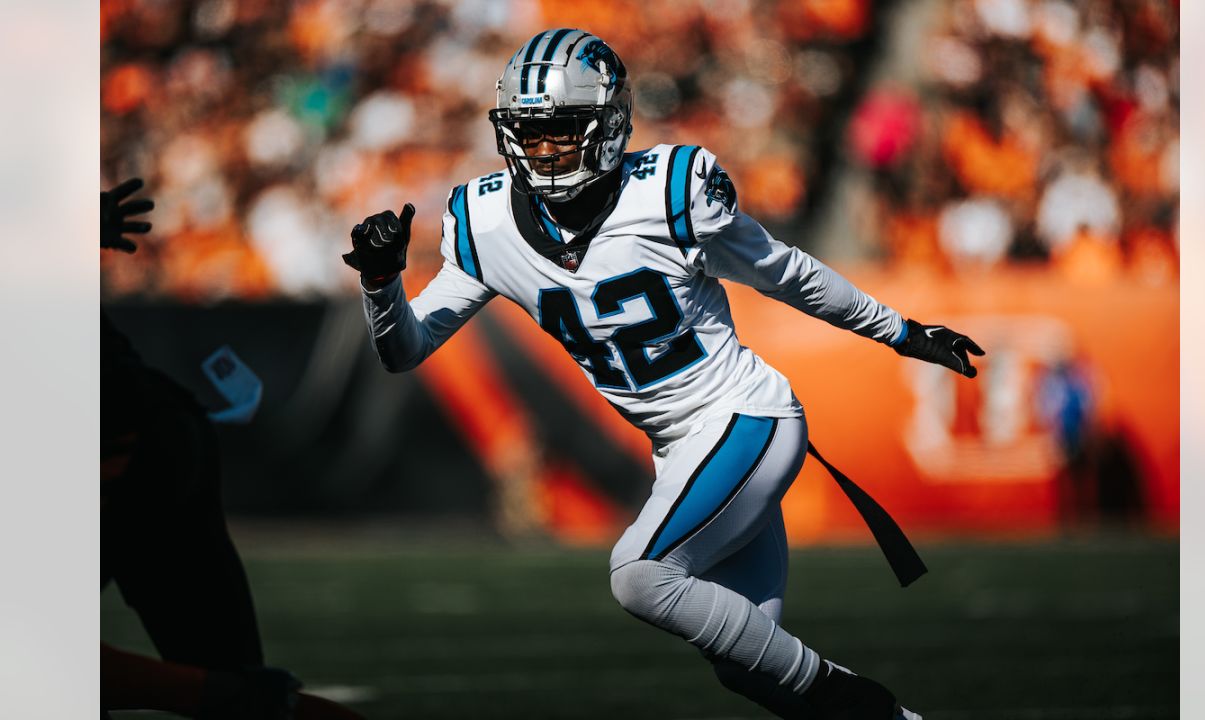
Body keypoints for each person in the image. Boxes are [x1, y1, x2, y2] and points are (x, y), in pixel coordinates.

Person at [343, 29, 983, 720]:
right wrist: (382, 282)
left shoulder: (672, 191)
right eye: (527, 131)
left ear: (608, 126)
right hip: (681, 453)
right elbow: (404, 349)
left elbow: (785, 274)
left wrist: (900, 331)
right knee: (750, 669)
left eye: (559, 130)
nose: (541, 148)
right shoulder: (484, 222)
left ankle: (853, 699)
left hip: (746, 420)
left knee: (640, 574)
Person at [102, 178, 363, 720]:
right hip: (145, 420)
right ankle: (243, 698)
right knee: (238, 691)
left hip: (110, 429)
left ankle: (236, 697)